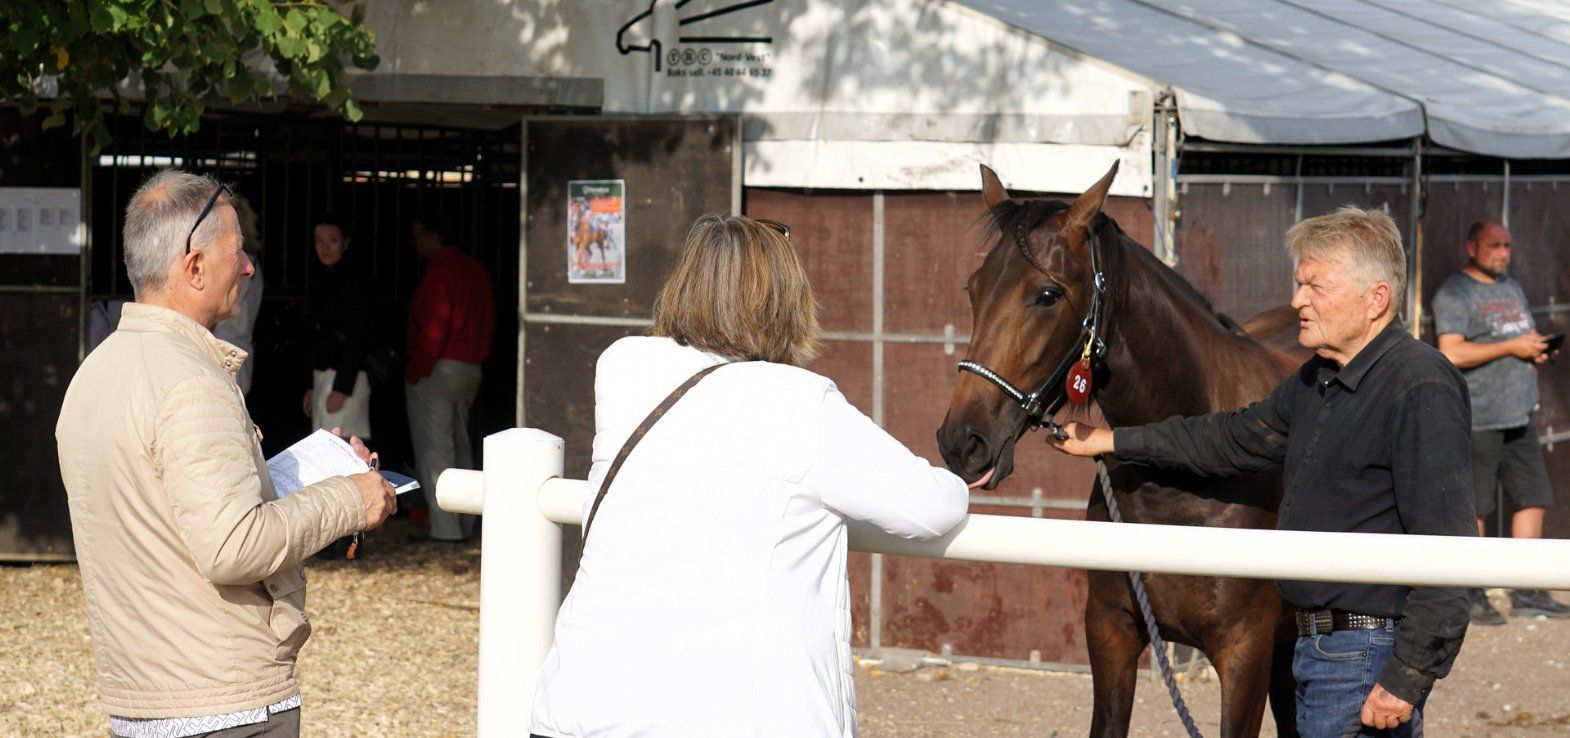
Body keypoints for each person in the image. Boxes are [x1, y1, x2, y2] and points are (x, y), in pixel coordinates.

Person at [528, 215, 973, 738]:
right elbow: (930, 508)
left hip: (583, 706)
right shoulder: (801, 403)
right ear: (786, 300)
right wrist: (962, 477)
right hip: (734, 717)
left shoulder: (622, 370)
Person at [1050, 206, 1474, 737]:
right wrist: (1112, 441)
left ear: (1376, 298)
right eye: (1298, 284)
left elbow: (1452, 546)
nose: (1297, 300)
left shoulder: (1420, 384)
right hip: (1312, 648)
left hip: (1366, 658)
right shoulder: (1316, 380)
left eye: (1315, 286)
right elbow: (1230, 438)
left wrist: (1408, 676)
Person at [55, 170, 397, 738]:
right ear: (193, 268)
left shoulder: (94, 374)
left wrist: (306, 470)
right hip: (221, 702)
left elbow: (172, 514)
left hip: (142, 700)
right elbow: (233, 546)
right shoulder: (193, 381)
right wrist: (349, 498)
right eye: (237, 252)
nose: (249, 266)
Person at [1432, 219, 1570, 623]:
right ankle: (1471, 591)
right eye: (1494, 246)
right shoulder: (1455, 292)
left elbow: (1518, 335)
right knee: (1476, 505)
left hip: (1519, 413)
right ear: (1471, 247)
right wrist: (1512, 345)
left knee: (1533, 496)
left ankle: (1526, 586)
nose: (1503, 253)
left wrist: (1533, 349)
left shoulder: (1511, 286)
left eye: (1507, 246)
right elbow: (1451, 351)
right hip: (1479, 415)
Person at [405, 210, 494, 543]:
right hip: (470, 367)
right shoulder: (475, 270)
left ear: (432, 236)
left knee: (435, 450)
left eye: (418, 235)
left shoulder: (439, 274)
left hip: (439, 367)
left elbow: (433, 328)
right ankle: (468, 522)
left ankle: (445, 529)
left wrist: (416, 369)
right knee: (460, 444)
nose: (415, 242)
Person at [302, 215, 375, 440]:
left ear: (346, 242)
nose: (325, 247)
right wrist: (312, 386)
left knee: (344, 445)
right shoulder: (321, 278)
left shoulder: (356, 281)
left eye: (332, 240)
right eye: (319, 240)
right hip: (325, 374)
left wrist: (342, 388)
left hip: (345, 377)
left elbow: (358, 336)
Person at [213, 194, 264, 395]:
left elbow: (222, 308)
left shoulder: (239, 264)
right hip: (237, 347)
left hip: (227, 350)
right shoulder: (254, 264)